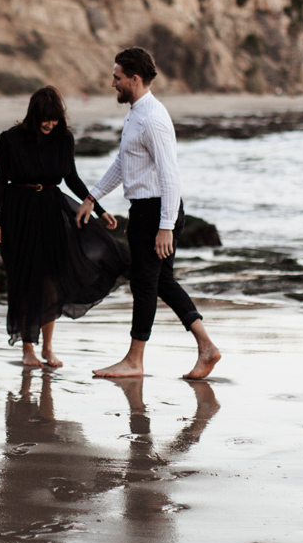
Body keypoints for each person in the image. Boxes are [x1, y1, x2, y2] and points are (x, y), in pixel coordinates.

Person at [75, 47, 221, 380]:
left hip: (157, 210)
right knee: (161, 282)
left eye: (117, 77)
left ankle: (135, 361)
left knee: (144, 284)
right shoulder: (137, 113)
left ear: (135, 79)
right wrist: (92, 197)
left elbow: (171, 176)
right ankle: (207, 348)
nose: (113, 83)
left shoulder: (153, 118)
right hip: (147, 209)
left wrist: (165, 226)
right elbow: (123, 164)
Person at [0, 86, 129, 367]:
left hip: (52, 210)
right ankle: (28, 348)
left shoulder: (64, 139)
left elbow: (71, 178)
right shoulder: (10, 139)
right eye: (45, 118)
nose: (50, 124)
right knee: (26, 280)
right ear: (34, 114)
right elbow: (0, 179)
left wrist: (97, 208)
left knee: (52, 279)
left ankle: (48, 348)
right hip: (19, 212)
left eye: (54, 119)